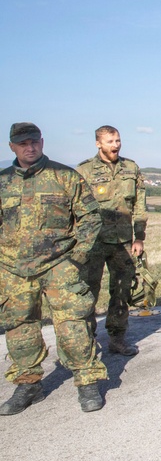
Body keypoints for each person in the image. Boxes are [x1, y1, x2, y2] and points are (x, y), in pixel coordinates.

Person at [0, 122, 108, 414]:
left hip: (60, 264)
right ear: (12, 147)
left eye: (34, 141)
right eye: (23, 144)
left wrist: (77, 257)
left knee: (73, 323)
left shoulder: (65, 176)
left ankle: (87, 381)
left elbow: (90, 217)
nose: (30, 147)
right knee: (19, 326)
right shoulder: (3, 181)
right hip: (13, 268)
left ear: (42, 142)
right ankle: (28, 384)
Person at [76, 125, 148, 356]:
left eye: (117, 140)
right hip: (94, 243)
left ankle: (117, 339)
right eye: (110, 141)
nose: (115, 145)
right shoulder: (84, 171)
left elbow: (139, 205)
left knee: (121, 291)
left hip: (123, 243)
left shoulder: (131, 168)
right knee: (88, 292)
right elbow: (75, 207)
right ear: (98, 143)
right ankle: (87, 343)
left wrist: (139, 237)